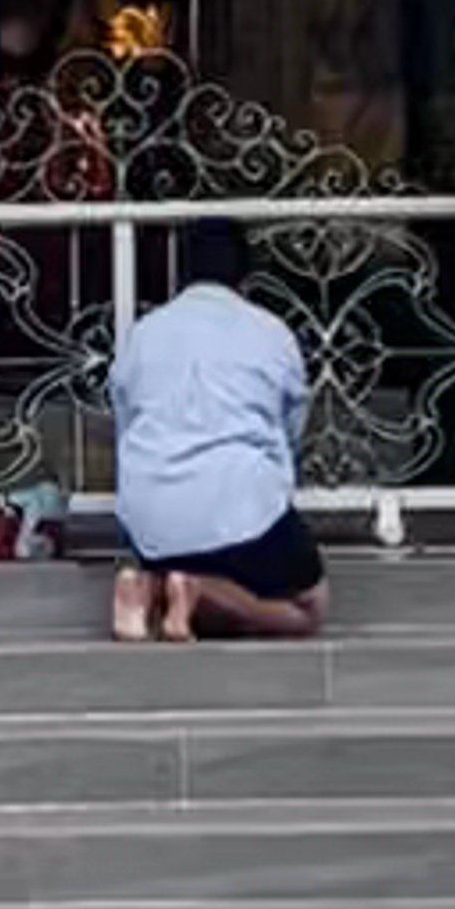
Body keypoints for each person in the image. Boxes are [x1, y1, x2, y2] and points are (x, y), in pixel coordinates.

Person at [107, 226, 325, 649]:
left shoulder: (144, 333)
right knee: (307, 609)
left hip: (151, 522)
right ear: (246, 277)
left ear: (181, 274)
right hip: (243, 509)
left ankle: (149, 591)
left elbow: (125, 424)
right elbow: (292, 426)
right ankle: (191, 590)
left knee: (182, 555)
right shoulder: (270, 332)